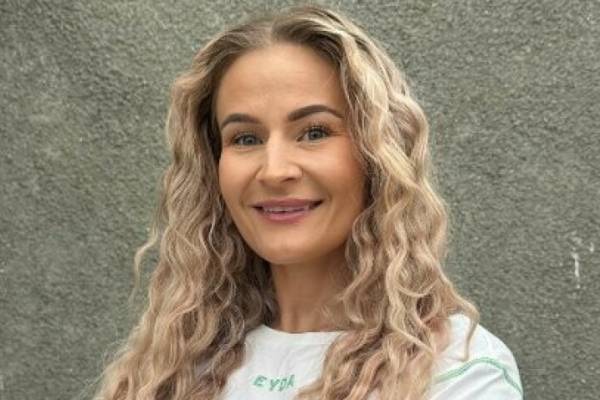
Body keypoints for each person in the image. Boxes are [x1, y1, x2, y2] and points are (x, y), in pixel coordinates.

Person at [95, 4, 522, 400]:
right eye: (246, 138)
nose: (274, 170)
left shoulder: (454, 369)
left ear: (378, 156)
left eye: (314, 132)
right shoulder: (171, 367)